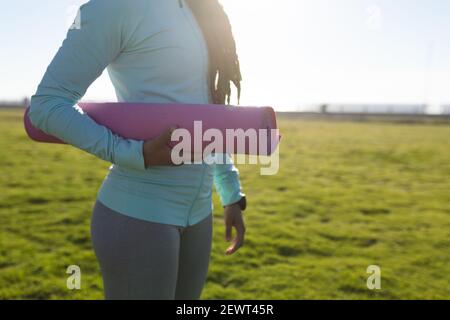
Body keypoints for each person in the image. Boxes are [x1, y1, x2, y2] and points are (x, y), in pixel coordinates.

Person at [28, 0, 247, 300]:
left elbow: (208, 115)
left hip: (199, 215)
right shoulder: (114, 7)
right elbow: (47, 105)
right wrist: (134, 153)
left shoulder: (203, 9)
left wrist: (230, 192)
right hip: (138, 213)